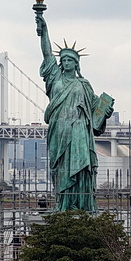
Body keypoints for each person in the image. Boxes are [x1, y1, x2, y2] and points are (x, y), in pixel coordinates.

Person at [35, 12, 114, 212]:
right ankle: (63, 204)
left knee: (82, 170)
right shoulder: (55, 78)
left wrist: (106, 111)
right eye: (64, 60)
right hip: (59, 131)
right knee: (61, 169)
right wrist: (43, 29)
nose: (67, 63)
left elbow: (96, 109)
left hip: (80, 132)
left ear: (76, 63)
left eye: (70, 60)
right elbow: (46, 53)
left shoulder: (84, 84)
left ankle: (83, 205)